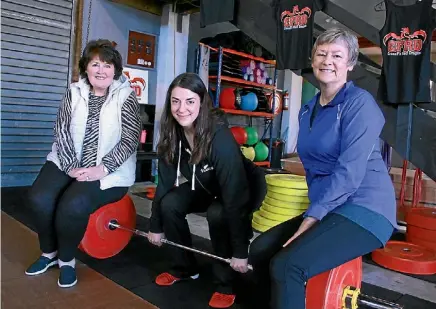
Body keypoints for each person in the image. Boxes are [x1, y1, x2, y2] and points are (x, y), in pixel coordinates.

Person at [248, 28, 398, 309]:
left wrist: (312, 217)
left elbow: (348, 173)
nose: (328, 60)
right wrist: (317, 211)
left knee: (287, 265)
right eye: (322, 53)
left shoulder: (359, 104)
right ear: (313, 58)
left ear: (350, 64)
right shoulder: (308, 109)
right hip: (331, 207)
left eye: (337, 55)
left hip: (366, 209)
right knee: (260, 251)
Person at [25, 39, 141, 288]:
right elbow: (62, 129)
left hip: (109, 171)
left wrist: (102, 168)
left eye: (107, 65)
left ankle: (67, 260)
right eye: (95, 64)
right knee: (39, 198)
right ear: (85, 67)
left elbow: (130, 139)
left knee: (73, 205)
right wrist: (69, 166)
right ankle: (49, 254)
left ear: (115, 70)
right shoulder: (74, 91)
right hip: (68, 161)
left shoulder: (126, 97)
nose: (101, 70)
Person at [147, 72, 267, 309]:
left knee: (218, 214)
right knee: (170, 203)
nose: (182, 109)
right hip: (205, 185)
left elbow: (235, 197)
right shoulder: (173, 132)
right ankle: (184, 268)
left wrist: (241, 251)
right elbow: (165, 182)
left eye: (190, 101)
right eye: (175, 101)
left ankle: (226, 283)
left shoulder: (218, 137)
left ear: (202, 103)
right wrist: (155, 225)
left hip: (242, 188)